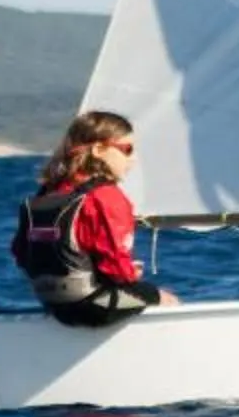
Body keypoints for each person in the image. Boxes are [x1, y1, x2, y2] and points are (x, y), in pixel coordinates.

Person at [11, 109, 180, 326]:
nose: (133, 159)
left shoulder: (45, 195)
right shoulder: (106, 197)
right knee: (164, 298)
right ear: (99, 149)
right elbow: (117, 269)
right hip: (93, 307)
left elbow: (21, 255)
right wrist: (132, 275)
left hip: (53, 304)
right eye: (127, 149)